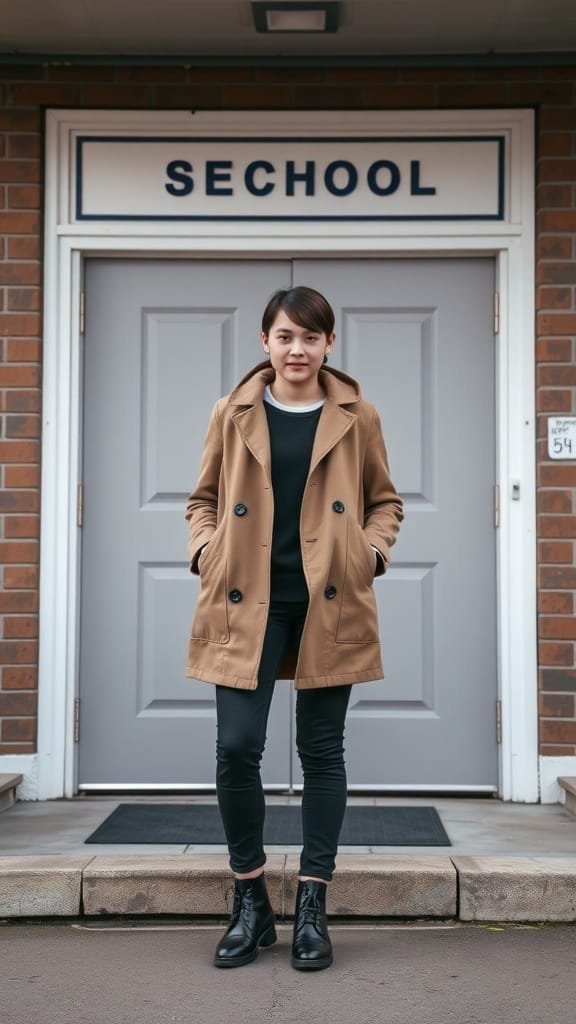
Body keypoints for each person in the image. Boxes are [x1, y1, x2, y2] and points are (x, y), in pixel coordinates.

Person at [185, 285, 403, 971]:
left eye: (310, 338)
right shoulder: (232, 412)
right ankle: (250, 900)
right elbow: (203, 499)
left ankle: (313, 902)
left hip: (329, 600)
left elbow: (385, 501)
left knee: (322, 753)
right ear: (265, 343)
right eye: (285, 336)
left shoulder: (357, 415)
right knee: (236, 747)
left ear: (329, 344)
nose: (297, 349)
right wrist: (205, 551)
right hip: (246, 600)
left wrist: (369, 553)